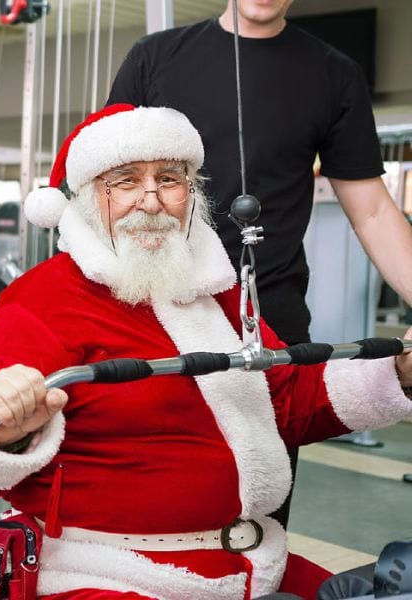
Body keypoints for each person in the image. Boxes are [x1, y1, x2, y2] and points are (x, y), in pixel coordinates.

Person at [0, 104, 412, 599]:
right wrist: (1, 430)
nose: (152, 200)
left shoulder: (216, 290)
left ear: (191, 193)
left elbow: (284, 397)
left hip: (245, 567)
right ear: (90, 197)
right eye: (126, 181)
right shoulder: (42, 300)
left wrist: (399, 373)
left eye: (170, 178)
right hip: (101, 575)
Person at [106, 0, 412, 530]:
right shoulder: (155, 59)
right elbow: (103, 188)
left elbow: (375, 211)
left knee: (256, 524)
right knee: (144, 517)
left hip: (268, 327)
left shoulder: (334, 74)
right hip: (155, 317)